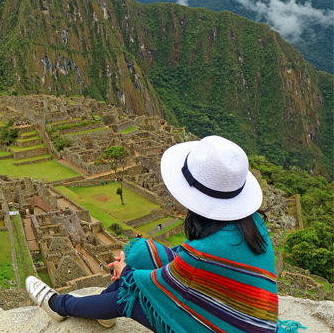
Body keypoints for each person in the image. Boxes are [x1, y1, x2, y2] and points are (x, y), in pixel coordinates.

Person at [25, 136, 300, 333]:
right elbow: (184, 259)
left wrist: (126, 270)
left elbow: (160, 282)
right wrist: (132, 260)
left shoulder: (206, 254)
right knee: (138, 256)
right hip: (258, 323)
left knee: (130, 294)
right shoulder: (253, 224)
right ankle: (102, 308)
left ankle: (60, 305)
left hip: (218, 325)